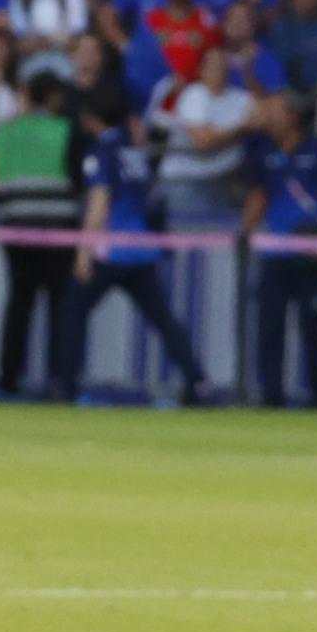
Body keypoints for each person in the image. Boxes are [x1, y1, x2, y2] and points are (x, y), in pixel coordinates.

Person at [66, 101, 214, 405]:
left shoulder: (101, 153)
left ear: (90, 119)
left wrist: (84, 251)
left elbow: (99, 202)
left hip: (112, 251)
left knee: (72, 312)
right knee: (163, 320)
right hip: (142, 250)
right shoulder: (136, 156)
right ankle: (196, 381)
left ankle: (65, 386)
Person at [0, 74, 86, 399]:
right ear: (54, 98)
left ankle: (7, 379)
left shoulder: (3, 132)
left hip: (15, 226)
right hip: (58, 229)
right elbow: (78, 181)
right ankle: (60, 381)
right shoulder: (66, 131)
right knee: (60, 306)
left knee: (18, 304)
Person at [246, 100, 317, 407]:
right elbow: (259, 196)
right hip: (276, 251)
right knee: (269, 327)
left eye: (276, 111)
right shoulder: (264, 152)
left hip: (311, 249)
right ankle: (271, 395)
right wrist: (245, 233)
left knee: (313, 326)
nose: (270, 118)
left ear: (292, 115)